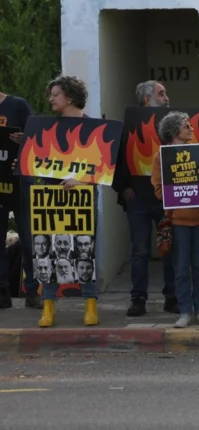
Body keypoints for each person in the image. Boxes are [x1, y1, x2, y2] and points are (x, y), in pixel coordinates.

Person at [37, 75, 100, 328]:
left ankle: (91, 305)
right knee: (47, 250)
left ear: (70, 97)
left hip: (83, 197)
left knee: (86, 250)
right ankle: (48, 306)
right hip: (52, 196)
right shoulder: (47, 128)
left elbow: (104, 167)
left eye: (55, 94)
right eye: (51, 94)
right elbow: (37, 161)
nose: (51, 99)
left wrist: (83, 181)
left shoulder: (94, 127)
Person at [113, 80, 177, 317]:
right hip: (138, 198)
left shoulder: (173, 125)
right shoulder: (128, 126)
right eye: (161, 94)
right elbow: (115, 160)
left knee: (169, 248)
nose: (166, 97)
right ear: (148, 99)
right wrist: (122, 188)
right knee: (139, 251)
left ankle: (172, 297)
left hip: (165, 198)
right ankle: (137, 299)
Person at [152, 111, 199, 328]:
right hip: (178, 222)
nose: (191, 129)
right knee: (180, 269)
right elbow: (159, 191)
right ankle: (185, 311)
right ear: (173, 131)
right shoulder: (161, 157)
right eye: (186, 126)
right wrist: (175, 188)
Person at [0, 88, 37, 309]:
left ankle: (32, 290)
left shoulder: (18, 105)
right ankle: (3, 292)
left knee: (28, 236)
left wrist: (25, 139)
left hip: (20, 179)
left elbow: (38, 140)